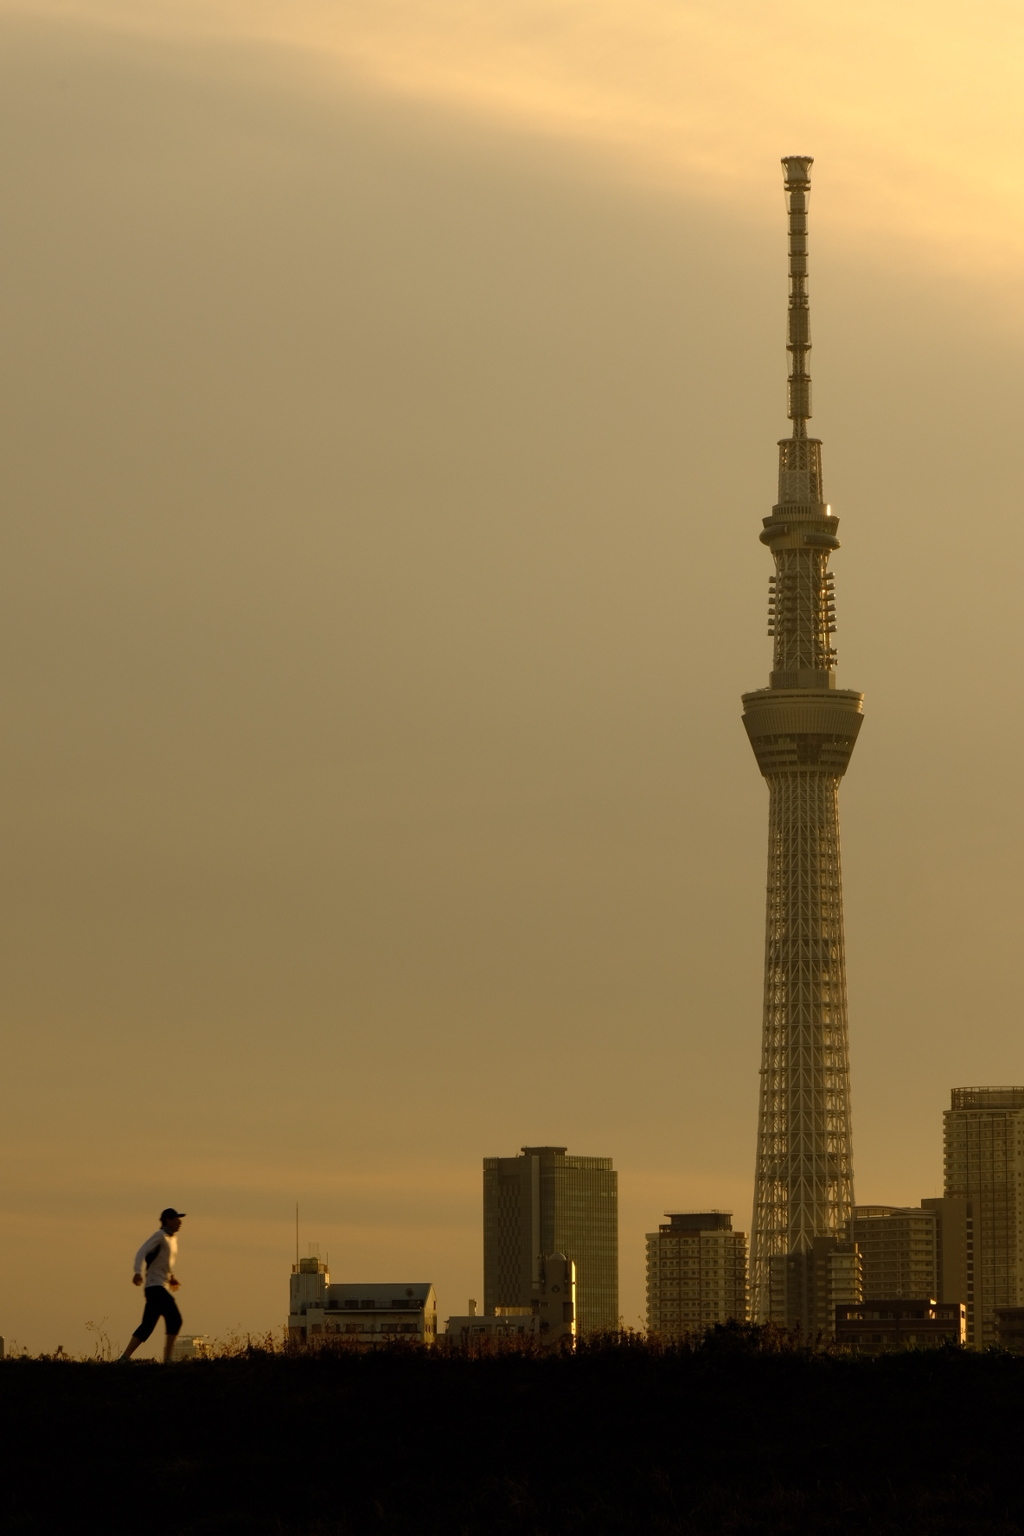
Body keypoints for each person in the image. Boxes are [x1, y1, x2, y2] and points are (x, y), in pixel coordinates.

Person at [116, 1208, 186, 1362]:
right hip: (155, 1287)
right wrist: (136, 1271)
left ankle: (124, 1358)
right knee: (175, 1318)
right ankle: (167, 1358)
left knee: (148, 1325)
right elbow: (142, 1251)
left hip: (160, 1285)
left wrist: (171, 1277)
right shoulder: (159, 1236)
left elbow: (163, 1263)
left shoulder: (172, 1239)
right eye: (176, 1219)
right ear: (168, 1220)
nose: (179, 1222)